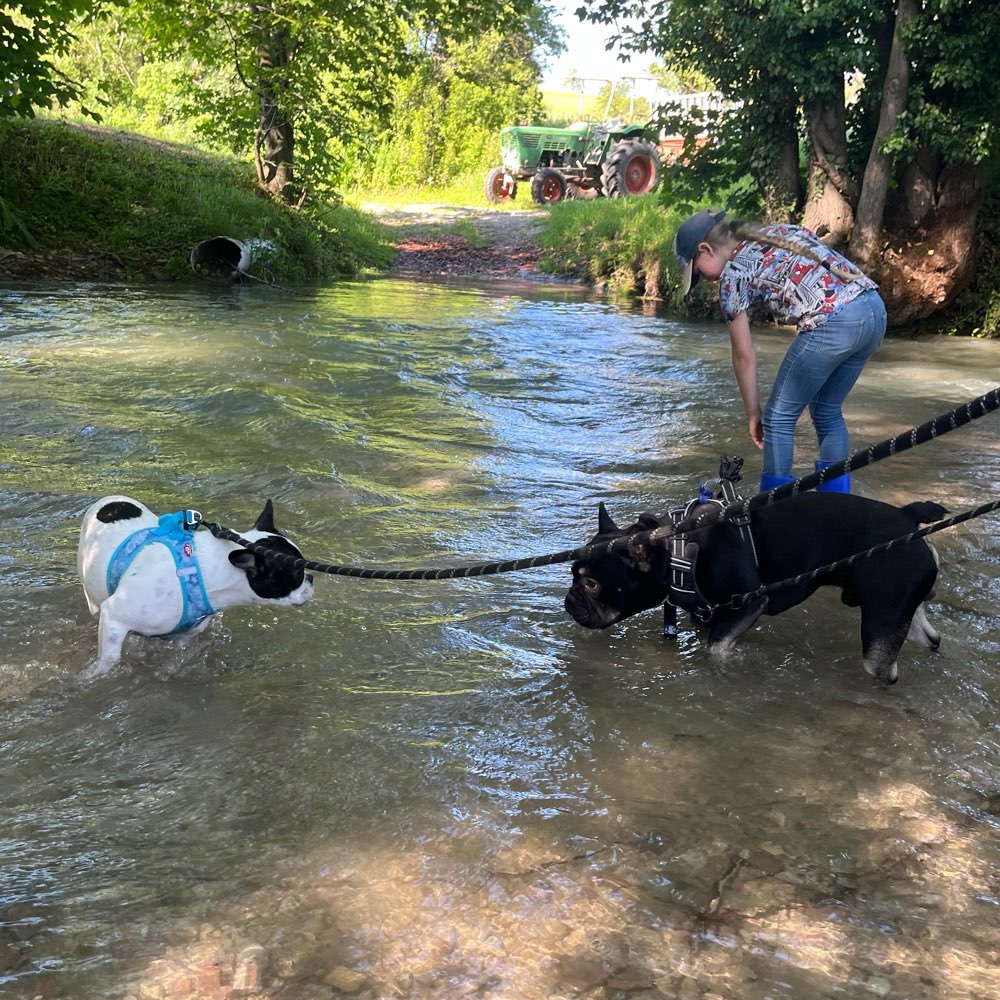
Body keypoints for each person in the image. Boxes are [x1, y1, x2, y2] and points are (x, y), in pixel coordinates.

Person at [672, 209, 886, 493]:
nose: (703, 280)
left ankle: (774, 514)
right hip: (873, 309)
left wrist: (753, 412)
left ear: (705, 249)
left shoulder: (731, 277)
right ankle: (837, 508)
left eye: (697, 272)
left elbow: (743, 356)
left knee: (778, 418)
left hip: (834, 321)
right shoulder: (780, 232)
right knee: (826, 410)